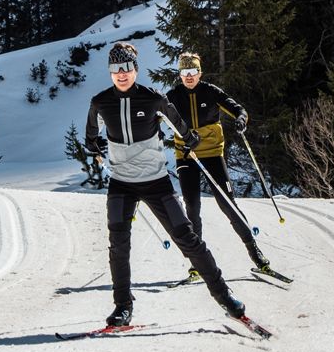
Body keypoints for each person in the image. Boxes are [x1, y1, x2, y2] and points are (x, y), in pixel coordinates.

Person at [85, 42, 245, 327]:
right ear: (110, 72)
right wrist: (95, 145)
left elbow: (180, 126)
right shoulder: (100, 102)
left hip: (156, 182)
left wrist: (191, 140)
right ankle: (123, 307)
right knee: (118, 245)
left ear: (135, 69)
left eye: (126, 68)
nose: (122, 74)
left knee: (187, 237)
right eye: (116, 69)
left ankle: (224, 295)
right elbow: (91, 135)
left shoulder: (154, 99)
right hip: (121, 184)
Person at [166, 52, 270, 280]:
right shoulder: (172, 96)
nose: (189, 77)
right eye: (184, 73)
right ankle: (196, 264)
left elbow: (239, 109)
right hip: (187, 156)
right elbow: (156, 118)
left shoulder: (210, 91)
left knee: (228, 204)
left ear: (199, 72)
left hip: (212, 153)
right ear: (180, 74)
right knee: (192, 208)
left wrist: (241, 120)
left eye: (192, 72)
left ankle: (256, 254)